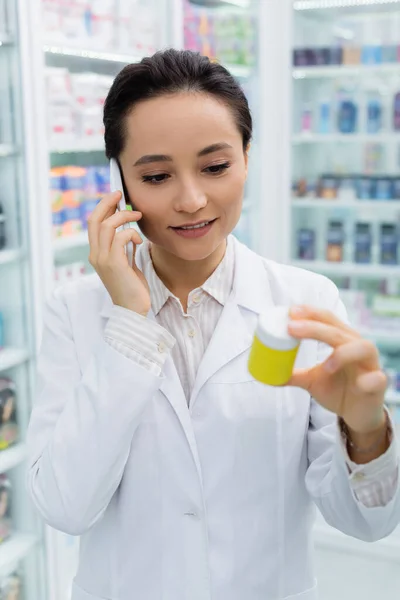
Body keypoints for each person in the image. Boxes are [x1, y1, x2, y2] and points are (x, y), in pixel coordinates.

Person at [27, 49, 400, 600]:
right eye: (156, 175)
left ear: (247, 156)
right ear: (121, 182)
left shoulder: (304, 301)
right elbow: (64, 506)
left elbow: (365, 523)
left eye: (216, 166)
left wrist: (366, 431)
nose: (192, 200)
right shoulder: (75, 311)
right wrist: (129, 322)